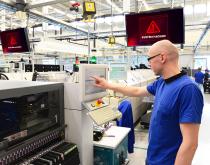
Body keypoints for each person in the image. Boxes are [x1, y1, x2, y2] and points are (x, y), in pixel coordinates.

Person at [92, 40, 203, 165]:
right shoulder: (162, 82)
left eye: (149, 59)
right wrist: (107, 85)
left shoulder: (188, 89)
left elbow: (190, 144)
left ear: (162, 57)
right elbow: (136, 90)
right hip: (152, 159)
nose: (148, 63)